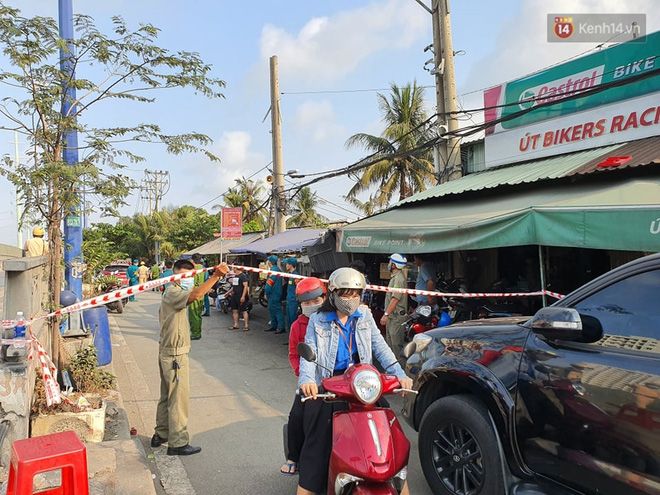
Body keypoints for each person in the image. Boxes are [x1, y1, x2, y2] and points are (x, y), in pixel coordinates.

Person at [297, 267, 412, 495]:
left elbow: (381, 349)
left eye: (355, 295)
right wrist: (308, 380)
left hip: (363, 388)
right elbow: (308, 353)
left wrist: (400, 374)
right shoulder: (318, 319)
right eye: (345, 294)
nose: (350, 300)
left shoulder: (365, 316)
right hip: (331, 390)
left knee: (391, 438)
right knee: (317, 449)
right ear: (333, 292)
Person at [151, 259, 229, 456]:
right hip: (175, 353)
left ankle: (161, 433)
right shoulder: (174, 292)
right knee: (178, 398)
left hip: (168, 349)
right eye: (186, 276)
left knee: (166, 395)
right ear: (177, 276)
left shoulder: (170, 292)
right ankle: (177, 442)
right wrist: (216, 277)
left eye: (191, 276)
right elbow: (195, 295)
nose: (189, 280)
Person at [280, 277, 326, 476]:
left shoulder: (333, 319)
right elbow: (293, 354)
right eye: (307, 303)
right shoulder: (297, 326)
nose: (312, 306)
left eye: (316, 301)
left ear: (324, 299)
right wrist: (304, 376)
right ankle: (293, 457)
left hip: (336, 380)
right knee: (296, 417)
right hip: (309, 382)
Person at [379, 253, 408, 365]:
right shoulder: (395, 278)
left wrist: (386, 314)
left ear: (394, 265)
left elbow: (395, 299)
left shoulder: (399, 279)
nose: (389, 264)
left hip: (396, 318)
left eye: (390, 262)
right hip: (393, 318)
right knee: (390, 346)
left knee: (396, 346)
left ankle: (400, 374)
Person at [264, 255, 285, 333]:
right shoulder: (277, 270)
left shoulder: (273, 272)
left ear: (270, 262)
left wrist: (266, 293)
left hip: (273, 294)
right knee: (272, 310)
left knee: (276, 310)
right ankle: (274, 325)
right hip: (276, 293)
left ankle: (281, 327)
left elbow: (269, 284)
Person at [188, 254, 205, 340]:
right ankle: (198, 332)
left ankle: (195, 333)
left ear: (192, 260)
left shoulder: (194, 270)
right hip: (201, 292)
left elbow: (192, 282)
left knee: (193, 314)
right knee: (198, 314)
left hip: (195, 292)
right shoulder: (202, 268)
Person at [280, 257, 299, 335]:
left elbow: (298, 288)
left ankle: (294, 339)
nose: (286, 265)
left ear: (291, 265)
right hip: (289, 301)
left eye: (287, 264)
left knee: (293, 321)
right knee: (289, 320)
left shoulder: (296, 276)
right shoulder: (290, 275)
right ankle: (290, 338)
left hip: (293, 302)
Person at [228, 266, 250, 331]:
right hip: (235, 295)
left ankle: (246, 325)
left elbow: (245, 286)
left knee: (243, 310)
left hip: (241, 294)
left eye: (233, 268)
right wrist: (228, 292)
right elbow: (234, 286)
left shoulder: (243, 276)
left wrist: (243, 296)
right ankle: (236, 324)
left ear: (236, 268)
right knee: (234, 310)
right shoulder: (235, 276)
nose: (232, 269)